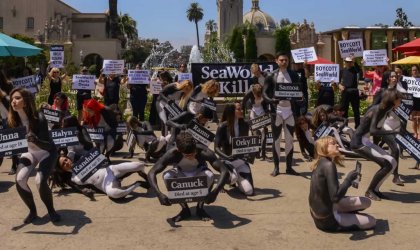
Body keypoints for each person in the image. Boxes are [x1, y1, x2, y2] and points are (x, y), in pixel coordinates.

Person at [147, 131, 228, 222]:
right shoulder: (172, 153)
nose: (191, 156)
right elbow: (151, 173)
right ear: (178, 150)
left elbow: (224, 171)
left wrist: (215, 192)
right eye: (187, 155)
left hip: (199, 172)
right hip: (181, 173)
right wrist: (159, 194)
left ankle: (200, 208)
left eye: (193, 153)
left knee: (209, 175)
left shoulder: (204, 151)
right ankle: (185, 209)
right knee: (167, 176)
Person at [8, 87, 60, 223]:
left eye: (17, 98)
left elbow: (48, 145)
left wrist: (35, 140)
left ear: (26, 101)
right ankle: (32, 211)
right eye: (12, 98)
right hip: (30, 152)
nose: (13, 101)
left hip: (47, 152)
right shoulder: (13, 120)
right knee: (20, 179)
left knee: (39, 181)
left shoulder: (39, 118)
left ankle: (51, 210)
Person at [309, 136, 376, 232]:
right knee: (372, 221)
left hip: (320, 213)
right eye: (333, 143)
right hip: (328, 220)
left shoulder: (320, 163)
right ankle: (344, 217)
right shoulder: (329, 165)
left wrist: (350, 180)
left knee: (366, 202)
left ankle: (346, 214)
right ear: (323, 147)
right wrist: (348, 180)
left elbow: (331, 192)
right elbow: (335, 197)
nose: (337, 144)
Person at [350, 89, 401, 201]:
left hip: (365, 140)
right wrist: (393, 132)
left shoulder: (386, 109)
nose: (400, 103)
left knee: (392, 162)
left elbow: (376, 129)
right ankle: (369, 191)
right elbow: (373, 131)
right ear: (393, 100)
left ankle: (376, 190)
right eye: (399, 100)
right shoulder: (379, 110)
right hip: (358, 142)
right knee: (386, 164)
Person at [264, 52, 302, 176]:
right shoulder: (271, 75)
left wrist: (300, 100)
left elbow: (300, 90)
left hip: (290, 111)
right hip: (277, 111)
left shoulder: (293, 75)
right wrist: (271, 100)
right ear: (276, 61)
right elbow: (264, 93)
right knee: (276, 140)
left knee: (290, 140)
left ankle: (289, 167)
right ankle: (276, 168)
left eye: (286, 60)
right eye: (281, 60)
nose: (284, 62)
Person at [58, 155, 149, 199]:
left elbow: (97, 157)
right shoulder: (72, 179)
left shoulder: (82, 159)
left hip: (110, 170)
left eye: (66, 159)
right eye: (63, 164)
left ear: (68, 158)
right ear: (62, 169)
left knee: (140, 165)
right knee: (114, 194)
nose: (66, 162)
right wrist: (84, 192)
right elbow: (78, 189)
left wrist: (103, 159)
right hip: (105, 184)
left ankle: (140, 172)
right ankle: (137, 184)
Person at [214, 102, 255, 196]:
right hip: (226, 161)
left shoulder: (244, 125)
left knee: (249, 192)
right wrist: (227, 157)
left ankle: (238, 178)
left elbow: (247, 144)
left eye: (241, 109)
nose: (241, 111)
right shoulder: (222, 127)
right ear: (231, 111)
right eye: (239, 109)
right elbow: (216, 148)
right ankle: (224, 180)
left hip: (240, 161)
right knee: (232, 179)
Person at [242, 84, 269, 160]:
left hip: (262, 111)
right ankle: (257, 152)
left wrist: (267, 113)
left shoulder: (264, 92)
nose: (258, 96)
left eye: (259, 95)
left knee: (264, 132)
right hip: (253, 111)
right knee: (255, 133)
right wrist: (243, 116)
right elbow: (243, 104)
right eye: (256, 95)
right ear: (253, 93)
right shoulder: (249, 93)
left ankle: (263, 154)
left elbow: (268, 103)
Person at [339, 57, 362, 128]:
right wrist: (339, 85)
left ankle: (357, 126)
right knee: (344, 110)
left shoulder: (355, 69)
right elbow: (338, 80)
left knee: (356, 110)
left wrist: (354, 61)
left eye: (350, 62)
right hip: (345, 91)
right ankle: (345, 125)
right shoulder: (342, 70)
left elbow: (360, 71)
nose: (348, 63)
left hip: (354, 91)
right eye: (347, 62)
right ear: (345, 62)